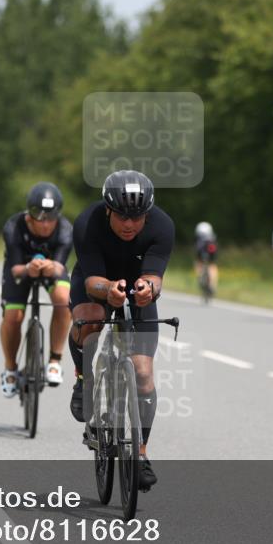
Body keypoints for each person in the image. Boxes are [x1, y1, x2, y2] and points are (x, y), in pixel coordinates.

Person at [68, 170, 174, 490]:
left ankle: (139, 454)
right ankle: (83, 377)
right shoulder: (87, 224)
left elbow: (155, 276)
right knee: (90, 319)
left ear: (148, 213)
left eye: (137, 217)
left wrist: (148, 289)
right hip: (97, 281)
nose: (130, 224)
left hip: (137, 287)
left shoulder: (162, 226)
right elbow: (91, 282)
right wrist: (110, 288)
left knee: (143, 373)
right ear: (108, 210)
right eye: (122, 217)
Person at [0, 182, 73, 398]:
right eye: (39, 217)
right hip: (20, 269)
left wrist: (51, 267)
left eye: (50, 218)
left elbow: (60, 265)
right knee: (13, 316)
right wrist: (29, 268)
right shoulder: (13, 226)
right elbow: (14, 268)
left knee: (63, 299)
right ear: (29, 215)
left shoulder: (66, 229)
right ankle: (10, 368)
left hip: (51, 268)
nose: (45, 224)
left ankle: (54, 361)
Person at [194, 221, 218, 296]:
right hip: (212, 251)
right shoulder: (212, 237)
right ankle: (212, 285)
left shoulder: (198, 237)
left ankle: (200, 277)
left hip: (201, 251)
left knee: (198, 262)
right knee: (212, 265)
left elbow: (196, 248)